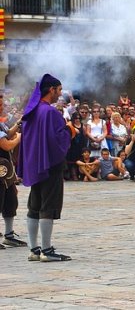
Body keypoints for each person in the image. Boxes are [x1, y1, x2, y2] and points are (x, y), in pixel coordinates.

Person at [18, 74, 73, 261]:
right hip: (50, 164)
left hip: (35, 163)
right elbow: (58, 139)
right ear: (52, 89)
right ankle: (47, 250)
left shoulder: (32, 111)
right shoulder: (50, 112)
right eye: (59, 90)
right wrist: (70, 130)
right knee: (48, 207)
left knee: (34, 206)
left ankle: (34, 249)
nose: (60, 94)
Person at [0, 95, 27, 249]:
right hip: (1, 169)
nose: (2, 106)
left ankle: (9, 234)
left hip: (6, 170)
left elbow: (7, 133)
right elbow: (6, 145)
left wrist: (18, 124)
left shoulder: (0, 123)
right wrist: (19, 138)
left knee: (10, 200)